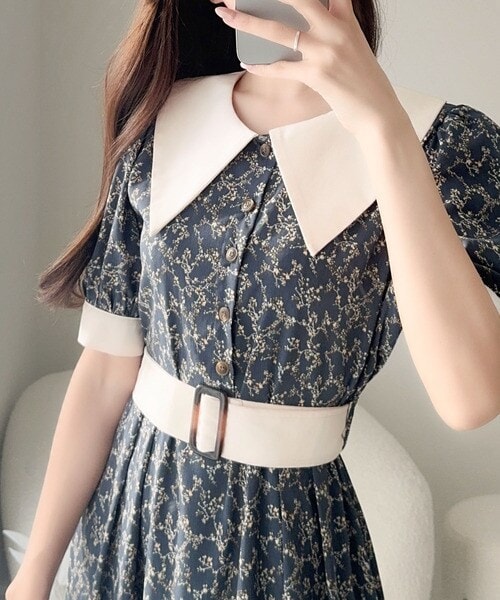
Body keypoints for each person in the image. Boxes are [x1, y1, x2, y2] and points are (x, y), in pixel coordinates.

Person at [6, 0, 500, 598]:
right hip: (135, 520)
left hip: (290, 543)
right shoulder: (163, 115)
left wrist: (382, 125)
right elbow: (108, 369)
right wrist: (34, 574)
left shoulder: (445, 144)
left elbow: (469, 400)